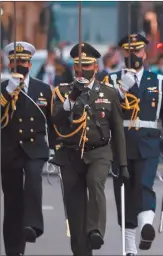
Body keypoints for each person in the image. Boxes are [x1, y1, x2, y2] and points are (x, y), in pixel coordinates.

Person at [50, 42, 129, 255]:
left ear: (95, 67)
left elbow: (118, 130)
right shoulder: (62, 91)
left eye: (87, 65)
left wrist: (122, 164)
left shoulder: (108, 92)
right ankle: (81, 248)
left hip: (99, 152)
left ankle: (95, 231)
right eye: (78, 65)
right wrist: (72, 98)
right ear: (73, 68)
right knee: (75, 211)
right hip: (71, 155)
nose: (82, 69)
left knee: (95, 182)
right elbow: (56, 120)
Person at [108, 33, 163, 255]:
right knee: (125, 194)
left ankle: (147, 225)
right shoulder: (111, 80)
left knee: (144, 185)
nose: (133, 56)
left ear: (144, 53)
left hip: (148, 144)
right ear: (122, 53)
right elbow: (102, 111)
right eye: (129, 52)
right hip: (120, 144)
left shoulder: (156, 81)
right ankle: (130, 247)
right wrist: (120, 90)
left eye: (137, 51)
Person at [1, 41, 56, 256]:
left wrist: (54, 148)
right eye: (15, 62)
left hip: (35, 148)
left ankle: (33, 224)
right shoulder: (3, 88)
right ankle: (14, 250)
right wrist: (7, 92)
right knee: (12, 201)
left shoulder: (42, 89)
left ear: (30, 65)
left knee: (34, 178)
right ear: (10, 63)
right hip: (9, 150)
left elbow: (52, 121)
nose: (20, 66)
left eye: (23, 62)